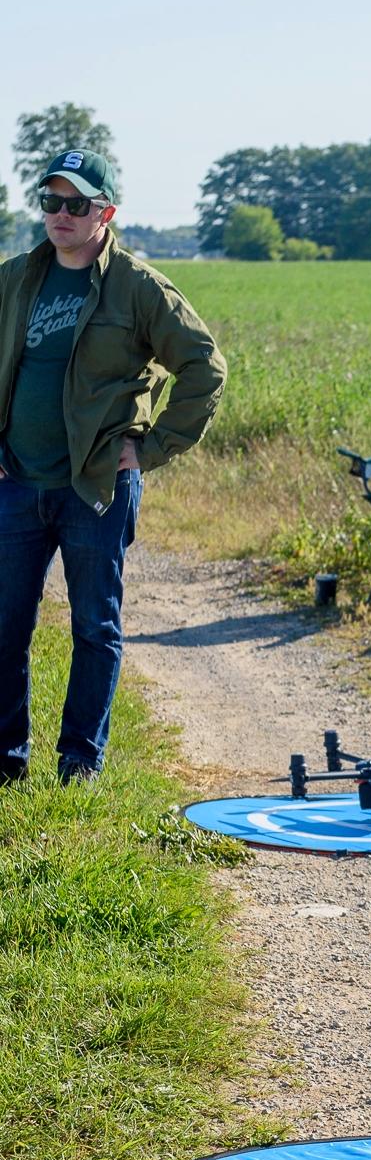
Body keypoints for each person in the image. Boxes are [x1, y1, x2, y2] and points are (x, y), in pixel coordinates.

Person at [0, 148, 226, 784]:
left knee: (94, 627)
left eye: (76, 204)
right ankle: (4, 765)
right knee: (4, 629)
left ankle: (79, 764)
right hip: (16, 482)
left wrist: (150, 449)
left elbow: (204, 366)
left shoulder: (138, 286)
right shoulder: (15, 278)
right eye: (51, 202)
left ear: (106, 212)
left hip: (96, 485)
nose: (61, 215)